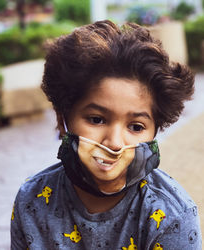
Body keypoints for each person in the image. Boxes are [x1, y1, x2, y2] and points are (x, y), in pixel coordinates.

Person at [10, 20, 202, 249]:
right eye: (96, 119)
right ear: (63, 120)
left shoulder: (172, 216)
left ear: (155, 132)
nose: (114, 142)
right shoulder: (31, 200)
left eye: (136, 127)